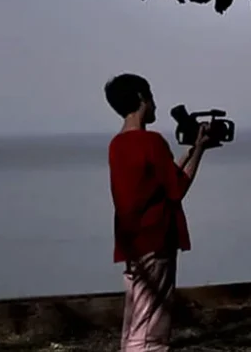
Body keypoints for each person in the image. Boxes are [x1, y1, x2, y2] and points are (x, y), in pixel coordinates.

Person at [104, 73, 210, 352]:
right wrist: (200, 150)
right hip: (155, 239)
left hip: (131, 243)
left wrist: (189, 153)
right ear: (141, 98)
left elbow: (156, 180)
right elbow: (177, 188)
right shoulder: (151, 142)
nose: (154, 104)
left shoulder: (117, 145)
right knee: (151, 325)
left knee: (137, 317)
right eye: (151, 97)